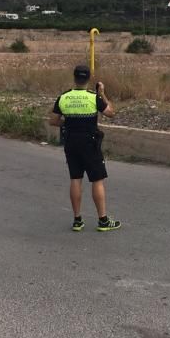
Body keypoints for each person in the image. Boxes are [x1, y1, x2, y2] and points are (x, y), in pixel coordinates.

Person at [49, 65, 122, 232]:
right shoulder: (93, 97)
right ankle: (103, 221)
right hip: (90, 143)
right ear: (89, 79)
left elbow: (52, 120)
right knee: (97, 180)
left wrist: (67, 123)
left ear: (74, 78)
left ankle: (77, 220)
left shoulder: (64, 97)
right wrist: (102, 92)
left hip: (71, 142)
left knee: (75, 178)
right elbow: (110, 112)